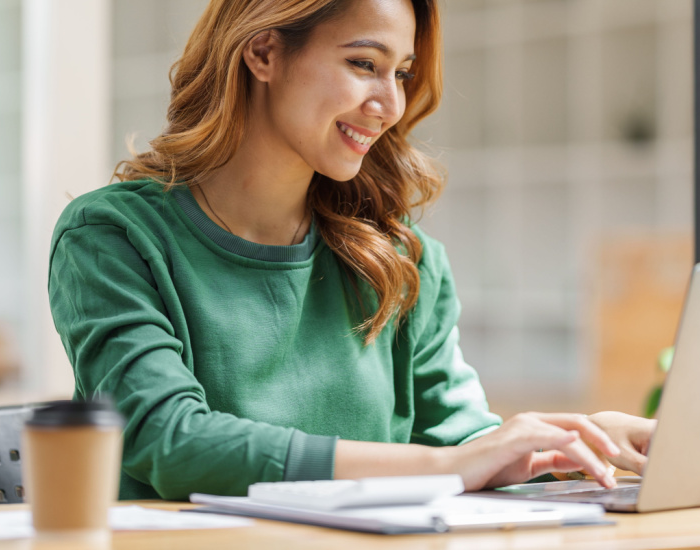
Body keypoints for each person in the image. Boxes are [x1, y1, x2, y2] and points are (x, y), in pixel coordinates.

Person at [48, 0, 656, 501]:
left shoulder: (403, 261)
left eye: (401, 73)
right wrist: (453, 466)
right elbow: (169, 439)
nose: (390, 104)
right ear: (263, 51)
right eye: (365, 63)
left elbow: (464, 446)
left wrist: (575, 444)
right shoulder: (112, 239)